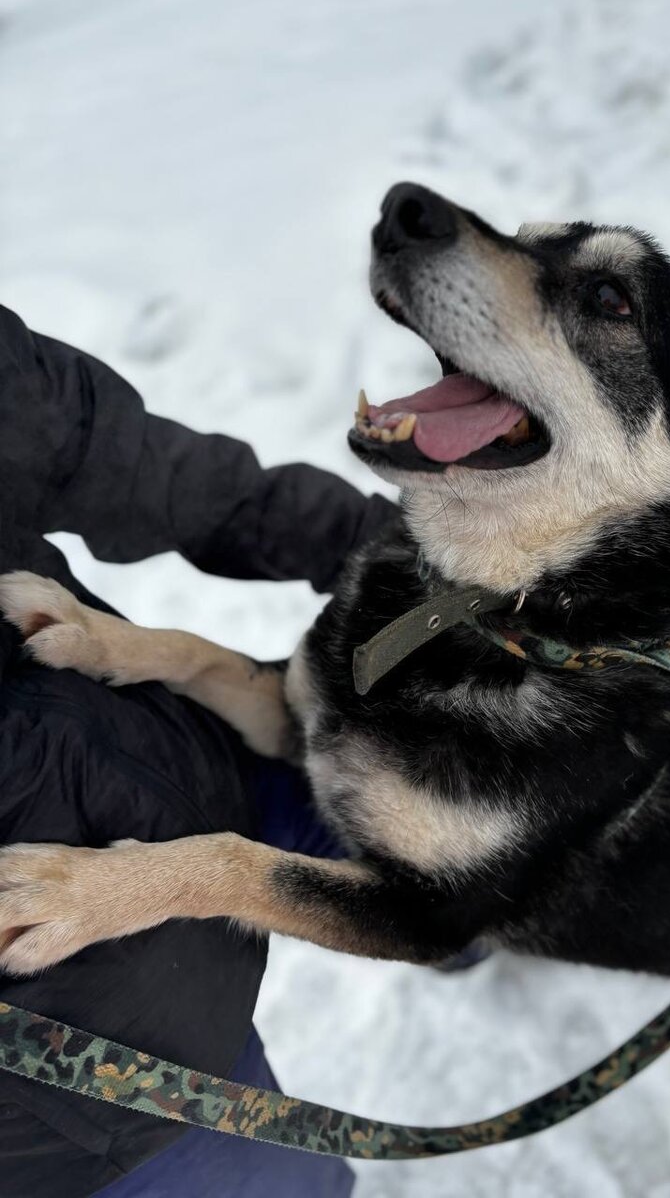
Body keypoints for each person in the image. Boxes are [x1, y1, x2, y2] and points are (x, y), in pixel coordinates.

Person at [0, 303, 399, 1197]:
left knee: (450, 874)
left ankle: (484, 925)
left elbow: (127, 455)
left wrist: (410, 562)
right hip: (96, 1080)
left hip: (184, 757)